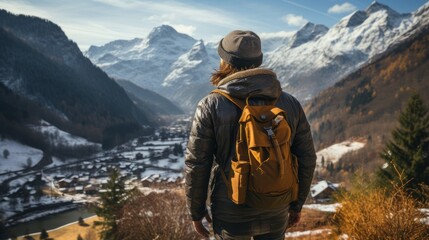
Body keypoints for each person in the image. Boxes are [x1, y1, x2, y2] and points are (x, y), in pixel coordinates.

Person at [185, 30, 317, 240]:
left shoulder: (211, 105)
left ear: (225, 61)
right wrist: (296, 203)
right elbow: (307, 157)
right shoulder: (289, 103)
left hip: (231, 209)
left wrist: (196, 211)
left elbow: (198, 163)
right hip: (277, 205)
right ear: (259, 61)